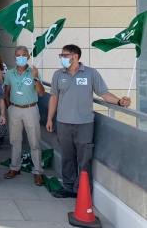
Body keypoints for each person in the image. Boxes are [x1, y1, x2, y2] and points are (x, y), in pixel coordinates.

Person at [46, 44, 131, 198]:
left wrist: (119, 101)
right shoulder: (58, 74)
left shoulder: (91, 73)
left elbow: (104, 94)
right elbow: (54, 97)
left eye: (65, 55)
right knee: (67, 156)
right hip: (63, 122)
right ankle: (68, 187)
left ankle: (82, 190)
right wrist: (50, 118)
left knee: (84, 159)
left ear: (75, 56)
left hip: (84, 124)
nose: (62, 58)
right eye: (61, 55)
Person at [3, 46, 45, 186]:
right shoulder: (9, 73)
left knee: (34, 142)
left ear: (27, 56)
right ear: (14, 57)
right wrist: (10, 107)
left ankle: (38, 172)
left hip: (30, 109)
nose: (20, 57)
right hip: (15, 109)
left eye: (23, 55)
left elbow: (41, 93)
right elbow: (7, 91)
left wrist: (35, 78)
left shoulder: (34, 72)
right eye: (18, 55)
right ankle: (15, 168)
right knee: (15, 141)